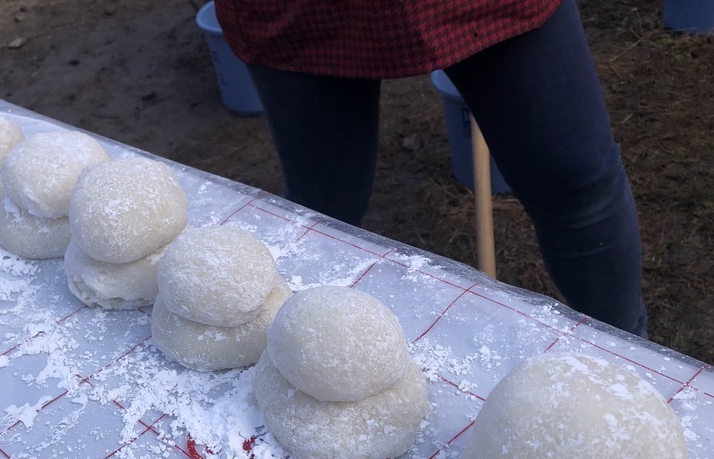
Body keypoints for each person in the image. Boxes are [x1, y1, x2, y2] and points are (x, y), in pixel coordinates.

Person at [214, 0, 648, 337]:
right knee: (324, 215)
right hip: (303, 13)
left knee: (578, 188)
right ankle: (305, 355)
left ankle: (632, 360)